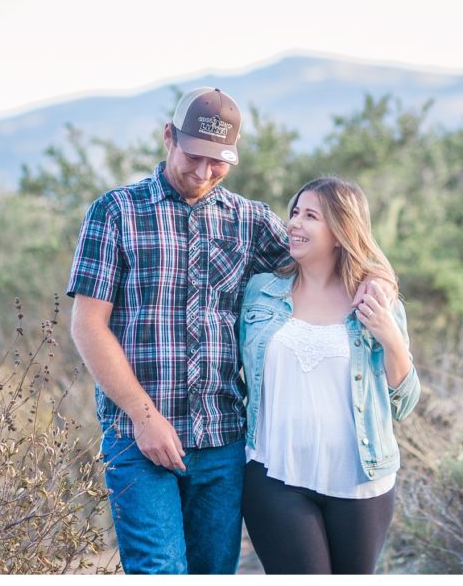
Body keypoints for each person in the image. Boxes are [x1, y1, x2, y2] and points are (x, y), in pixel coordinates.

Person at [66, 88, 386, 574]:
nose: (203, 173)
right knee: (159, 570)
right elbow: (88, 326)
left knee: (214, 572)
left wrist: (377, 279)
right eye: (194, 157)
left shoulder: (250, 220)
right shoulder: (115, 213)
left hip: (222, 440)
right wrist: (143, 415)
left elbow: (325, 262)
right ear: (168, 137)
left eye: (218, 163)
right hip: (139, 435)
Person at [239, 176, 421, 575]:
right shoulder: (261, 292)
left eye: (310, 216)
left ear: (340, 231)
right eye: (294, 213)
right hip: (274, 475)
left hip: (359, 481)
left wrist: (390, 337)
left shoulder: (374, 302)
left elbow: (405, 403)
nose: (294, 224)